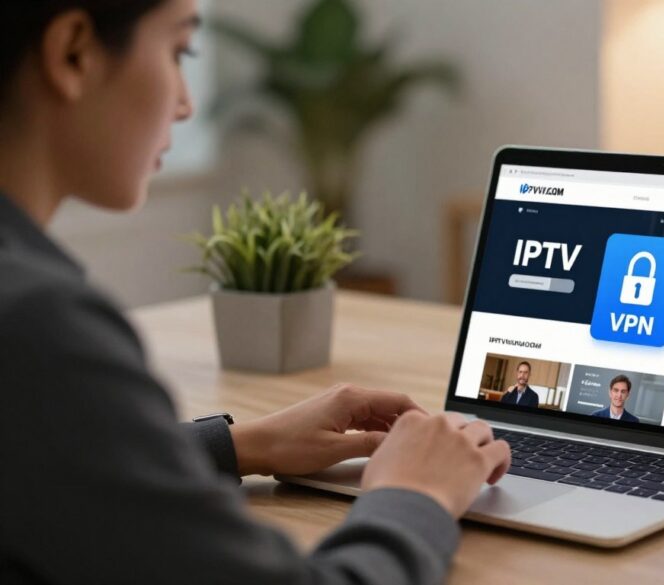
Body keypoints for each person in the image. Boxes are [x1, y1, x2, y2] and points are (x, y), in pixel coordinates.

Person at [0, 2, 511, 584]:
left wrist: (244, 444)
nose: (186, 103)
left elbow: (41, 455)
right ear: (72, 52)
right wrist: (415, 495)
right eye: (178, 50)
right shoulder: (38, 326)